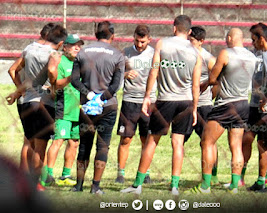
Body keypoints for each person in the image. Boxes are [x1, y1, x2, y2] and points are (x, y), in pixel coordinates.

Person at [121, 15, 202, 195]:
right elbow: (196, 84)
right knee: (178, 143)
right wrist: (195, 108)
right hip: (186, 101)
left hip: (165, 99)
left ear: (174, 28)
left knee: (152, 141)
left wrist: (147, 96)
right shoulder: (196, 52)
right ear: (189, 32)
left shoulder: (162, 44)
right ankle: (174, 186)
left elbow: (154, 71)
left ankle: (138, 185)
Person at [187, 28, 258, 194]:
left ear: (230, 37)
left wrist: (209, 81)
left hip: (225, 104)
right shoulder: (251, 57)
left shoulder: (225, 53)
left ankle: (205, 185)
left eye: (227, 38)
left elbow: (213, 78)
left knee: (207, 141)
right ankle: (234, 185)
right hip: (242, 103)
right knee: (236, 145)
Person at [8, 24, 67, 190]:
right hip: (43, 103)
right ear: (61, 43)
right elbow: (51, 70)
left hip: (25, 102)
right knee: (40, 147)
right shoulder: (54, 54)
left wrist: (20, 90)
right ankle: (35, 185)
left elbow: (13, 70)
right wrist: (54, 86)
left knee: (29, 143)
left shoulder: (29, 48)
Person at [70, 21, 125, 194]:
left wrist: (89, 95)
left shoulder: (83, 52)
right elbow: (116, 85)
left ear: (96, 34)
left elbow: (74, 80)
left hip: (86, 107)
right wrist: (102, 98)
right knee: (102, 146)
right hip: (107, 106)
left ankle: (78, 185)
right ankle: (95, 186)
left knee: (84, 145)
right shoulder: (118, 55)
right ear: (113, 35)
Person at [115, 25, 156, 184]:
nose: (140, 45)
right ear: (133, 38)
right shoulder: (125, 53)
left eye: (143, 42)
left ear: (149, 40)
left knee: (147, 140)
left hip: (149, 103)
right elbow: (116, 74)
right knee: (125, 139)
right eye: (137, 41)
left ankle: (145, 173)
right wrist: (125, 74)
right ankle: (120, 173)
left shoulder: (154, 54)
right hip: (129, 102)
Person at [42, 34, 84, 187]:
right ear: (65, 47)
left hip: (78, 110)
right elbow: (56, 84)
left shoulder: (81, 62)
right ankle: (48, 176)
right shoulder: (61, 61)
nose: (77, 48)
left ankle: (65, 175)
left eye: (79, 45)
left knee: (74, 143)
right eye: (74, 45)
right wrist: (70, 78)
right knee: (58, 141)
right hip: (63, 109)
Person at [245, 23, 267, 191]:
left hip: (262, 106)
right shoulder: (263, 54)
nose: (252, 43)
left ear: (261, 39)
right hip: (256, 104)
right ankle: (261, 179)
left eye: (253, 39)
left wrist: (266, 97)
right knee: (261, 144)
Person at [186, 26, 218, 185]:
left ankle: (213, 175)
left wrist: (209, 95)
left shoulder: (208, 59)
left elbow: (218, 80)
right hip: (185, 104)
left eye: (191, 41)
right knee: (178, 139)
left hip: (203, 106)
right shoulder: (183, 55)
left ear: (201, 42)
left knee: (208, 141)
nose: (189, 43)